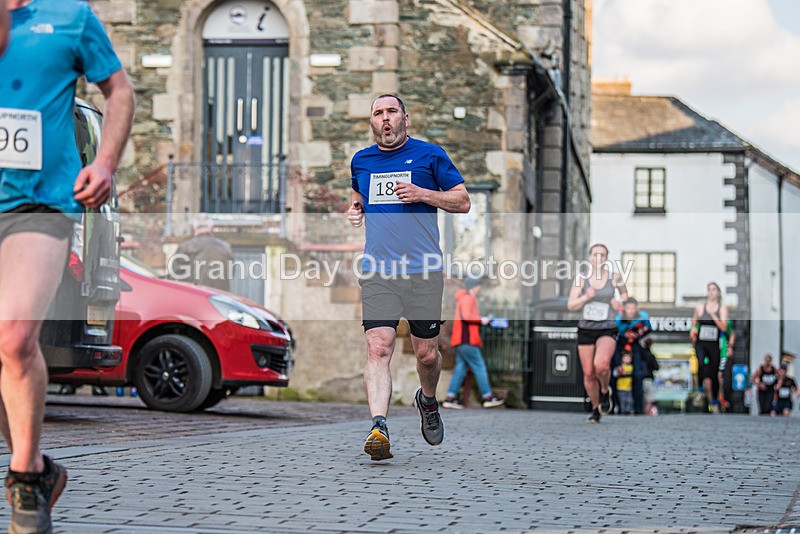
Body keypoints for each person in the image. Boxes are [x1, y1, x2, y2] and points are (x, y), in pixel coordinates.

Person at [0, 1, 134, 532]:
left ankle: (26, 478)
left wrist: (103, 163)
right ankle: (38, 467)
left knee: (14, 341)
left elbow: (119, 92)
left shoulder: (70, 17)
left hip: (40, 204)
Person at [346, 94, 470, 460]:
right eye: (378, 113)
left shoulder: (430, 155)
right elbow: (358, 196)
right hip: (379, 269)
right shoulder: (361, 160)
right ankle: (379, 427)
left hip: (423, 271)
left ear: (406, 119)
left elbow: (462, 201)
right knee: (379, 346)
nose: (385, 119)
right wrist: (354, 212)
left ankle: (427, 400)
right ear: (372, 122)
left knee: (427, 354)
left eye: (391, 112)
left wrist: (422, 194)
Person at [567, 243, 628, 423]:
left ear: (607, 258)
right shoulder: (581, 278)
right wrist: (586, 297)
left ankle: (604, 390)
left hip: (607, 327)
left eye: (602, 255)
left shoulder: (615, 277)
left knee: (601, 365)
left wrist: (619, 304)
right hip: (586, 328)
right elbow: (570, 305)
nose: (599, 258)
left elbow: (625, 296)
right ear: (590, 258)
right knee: (588, 373)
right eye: (595, 255)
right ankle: (596, 409)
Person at [441, 277, 505, 410]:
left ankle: (450, 398)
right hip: (467, 340)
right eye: (478, 287)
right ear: (473, 287)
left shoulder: (464, 298)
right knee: (479, 366)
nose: (479, 289)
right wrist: (483, 320)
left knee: (460, 369)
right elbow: (467, 317)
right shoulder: (468, 298)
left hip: (461, 340)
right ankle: (488, 397)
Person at [690, 282, 728, 414]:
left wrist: (713, 316)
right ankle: (700, 390)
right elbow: (694, 321)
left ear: (718, 292)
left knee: (713, 374)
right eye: (709, 290)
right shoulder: (701, 307)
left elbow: (724, 328)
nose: (711, 292)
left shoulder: (722, 309)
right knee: (700, 363)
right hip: (701, 342)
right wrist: (693, 330)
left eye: (714, 290)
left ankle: (715, 402)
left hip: (713, 343)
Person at [174, 217, 234, 291]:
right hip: (220, 297)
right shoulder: (226, 247)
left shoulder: (185, 247)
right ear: (211, 227)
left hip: (196, 295)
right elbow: (231, 272)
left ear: (194, 227)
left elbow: (175, 275)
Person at [615, 297, 652, 414]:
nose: (630, 311)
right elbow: (617, 331)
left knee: (637, 376)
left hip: (635, 344)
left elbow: (648, 328)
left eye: (633, 308)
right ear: (624, 308)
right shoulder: (619, 318)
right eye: (628, 308)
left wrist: (639, 333)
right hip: (621, 344)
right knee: (616, 374)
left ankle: (638, 409)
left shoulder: (643, 316)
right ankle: (617, 406)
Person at [717, 320, 734, 410]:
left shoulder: (726, 321)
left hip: (722, 353)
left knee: (720, 375)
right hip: (710, 353)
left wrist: (730, 347)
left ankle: (721, 397)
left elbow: (731, 334)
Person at [614, 350, 634, 415]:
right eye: (625, 357)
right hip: (620, 387)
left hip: (628, 387)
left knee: (629, 400)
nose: (627, 359)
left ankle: (627, 410)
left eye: (628, 358)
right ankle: (622, 410)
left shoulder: (631, 367)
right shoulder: (620, 367)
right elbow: (615, 374)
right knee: (622, 400)